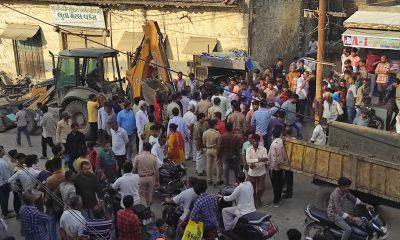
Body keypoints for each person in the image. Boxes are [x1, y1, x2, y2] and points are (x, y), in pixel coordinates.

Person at [245, 134, 268, 207]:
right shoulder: (248, 149)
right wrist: (259, 159)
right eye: (253, 141)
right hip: (252, 173)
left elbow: (266, 160)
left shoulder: (263, 149)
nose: (255, 143)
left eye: (256, 141)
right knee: (252, 189)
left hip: (261, 172)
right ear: (251, 141)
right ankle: (255, 200)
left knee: (261, 189)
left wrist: (253, 162)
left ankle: (258, 198)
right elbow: (248, 160)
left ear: (259, 141)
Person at [267, 126, 288, 205]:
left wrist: (272, 168)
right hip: (280, 165)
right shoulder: (282, 141)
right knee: (280, 182)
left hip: (275, 167)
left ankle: (276, 201)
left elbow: (274, 158)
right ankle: (278, 198)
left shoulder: (274, 144)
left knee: (275, 184)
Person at [203, 119, 222, 185]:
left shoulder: (205, 132)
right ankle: (218, 179)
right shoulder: (217, 133)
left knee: (208, 165)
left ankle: (209, 179)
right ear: (214, 125)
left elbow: (204, 142)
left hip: (208, 149)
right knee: (218, 165)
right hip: (215, 149)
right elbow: (219, 144)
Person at [0, 146, 14, 219]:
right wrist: (10, 184)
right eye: (2, 150)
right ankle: (5, 214)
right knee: (4, 198)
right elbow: (6, 176)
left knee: (3, 198)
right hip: (3, 184)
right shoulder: (2, 163)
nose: (4, 151)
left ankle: (5, 210)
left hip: (2, 183)